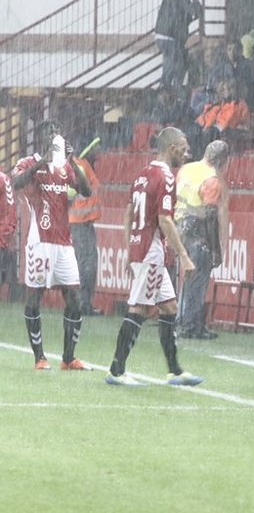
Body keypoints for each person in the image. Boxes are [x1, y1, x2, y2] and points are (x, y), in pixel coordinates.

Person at [106, 128, 202, 386]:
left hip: (141, 247)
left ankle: (175, 370)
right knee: (138, 308)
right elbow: (165, 220)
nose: (186, 153)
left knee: (168, 307)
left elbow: (128, 214)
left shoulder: (142, 174)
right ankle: (116, 371)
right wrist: (184, 255)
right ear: (172, 149)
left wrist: (130, 248)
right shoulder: (166, 177)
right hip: (151, 250)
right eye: (183, 148)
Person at [12, 122, 93, 371]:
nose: (57, 137)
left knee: (75, 299)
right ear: (42, 138)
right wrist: (41, 163)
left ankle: (68, 358)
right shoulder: (29, 162)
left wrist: (72, 162)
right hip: (40, 242)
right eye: (52, 134)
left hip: (64, 243)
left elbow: (86, 191)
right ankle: (39, 357)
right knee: (35, 297)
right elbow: (15, 182)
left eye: (59, 133)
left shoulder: (64, 166)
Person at [175, 140, 230, 340]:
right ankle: (191, 325)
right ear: (223, 160)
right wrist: (216, 248)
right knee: (198, 279)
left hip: (179, 227)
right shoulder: (211, 179)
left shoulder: (187, 169)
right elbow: (209, 215)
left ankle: (182, 317)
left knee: (189, 276)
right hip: (197, 230)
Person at [154, 0, 202, 92]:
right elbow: (197, 12)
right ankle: (172, 91)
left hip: (162, 35)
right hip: (172, 38)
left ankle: (166, 91)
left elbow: (185, 15)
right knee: (177, 68)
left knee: (170, 65)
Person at [68, 148, 102, 316]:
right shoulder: (79, 166)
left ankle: (84, 302)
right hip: (80, 223)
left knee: (87, 264)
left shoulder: (82, 165)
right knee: (86, 265)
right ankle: (82, 303)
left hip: (84, 223)